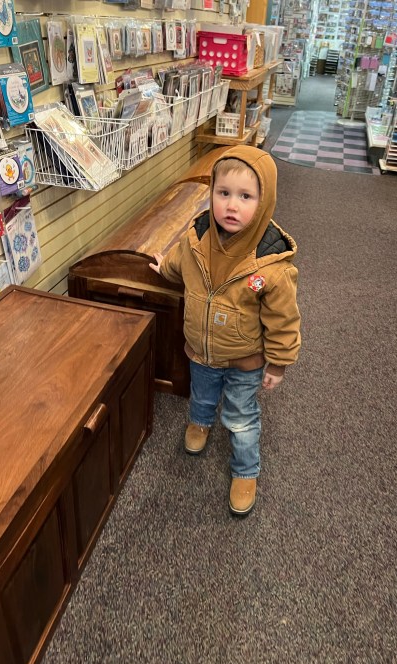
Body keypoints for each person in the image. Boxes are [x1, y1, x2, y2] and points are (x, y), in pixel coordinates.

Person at [149, 145, 301, 516]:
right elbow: (178, 264)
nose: (232, 206)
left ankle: (246, 471)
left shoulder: (272, 266)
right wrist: (163, 268)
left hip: (246, 360)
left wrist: (279, 363)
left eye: (246, 196)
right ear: (212, 193)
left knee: (240, 417)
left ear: (264, 202)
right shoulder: (196, 240)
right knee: (201, 396)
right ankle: (200, 424)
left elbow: (283, 320)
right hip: (201, 351)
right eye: (224, 193)